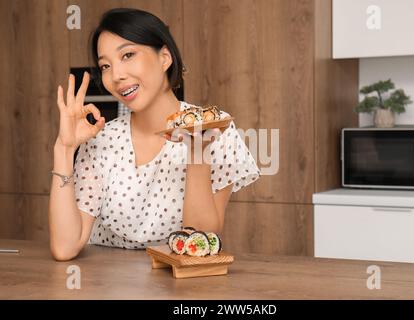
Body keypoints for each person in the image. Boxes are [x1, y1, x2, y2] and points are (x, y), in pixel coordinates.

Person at [48, 8, 260, 261]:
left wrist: (197, 151)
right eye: (106, 65)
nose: (116, 76)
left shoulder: (213, 129)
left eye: (127, 55)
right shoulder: (101, 140)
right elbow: (65, 248)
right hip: (103, 280)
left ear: (165, 58)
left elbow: (199, 240)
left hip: (175, 283)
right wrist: (64, 148)